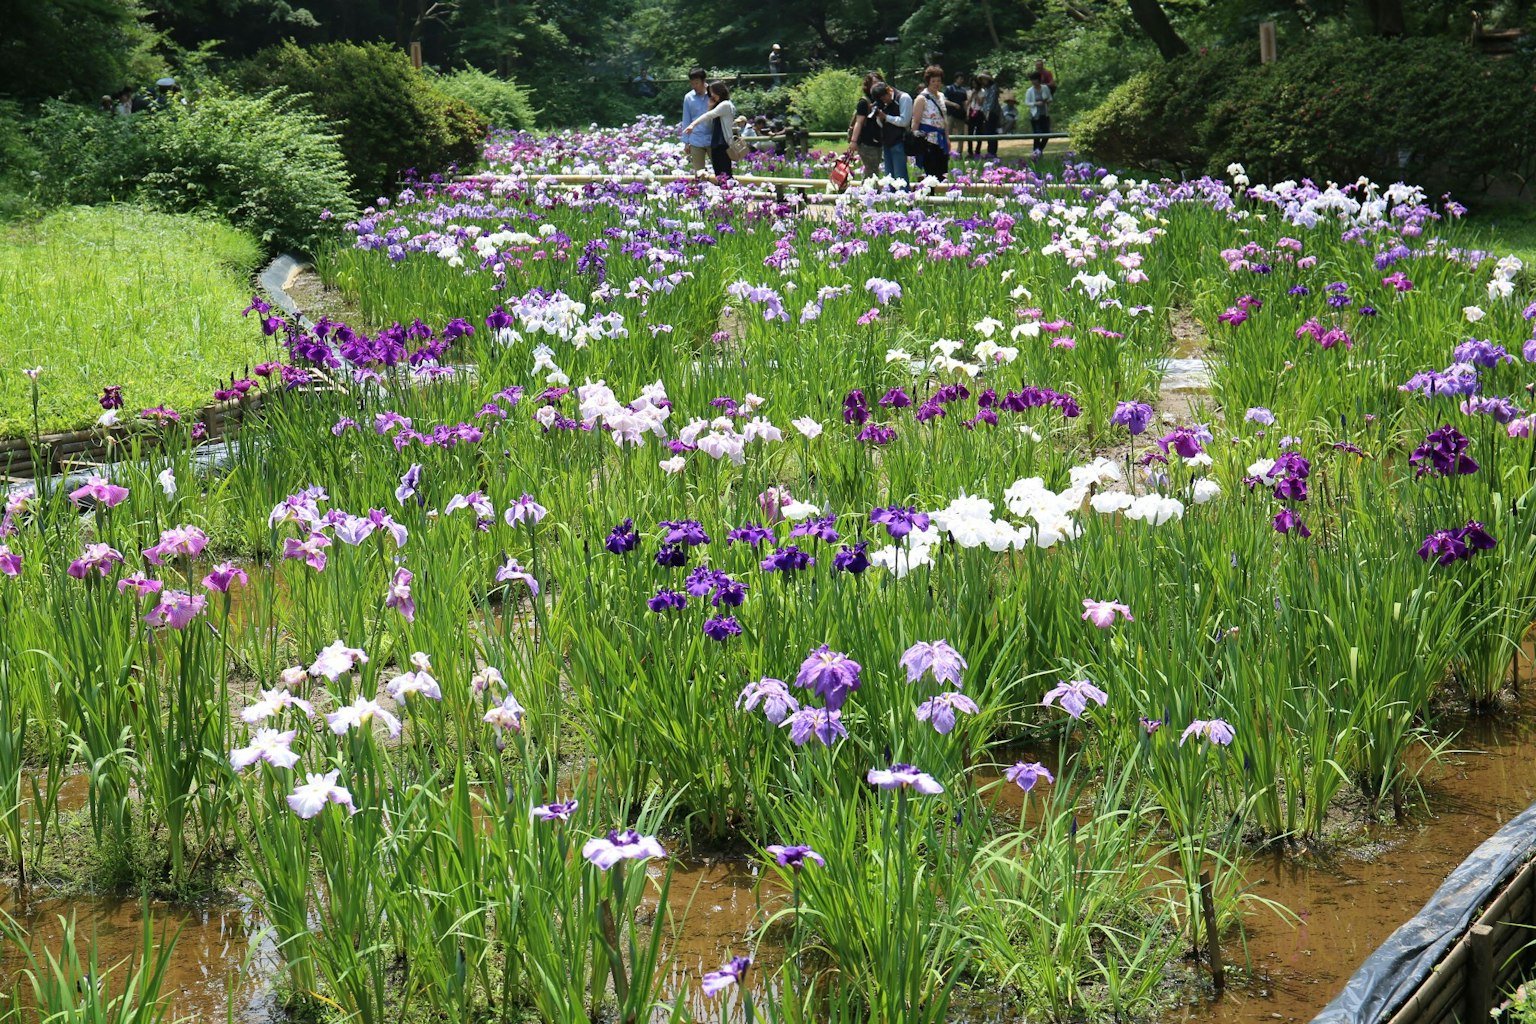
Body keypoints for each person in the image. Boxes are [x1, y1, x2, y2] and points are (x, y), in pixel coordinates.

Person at [681, 81, 739, 178]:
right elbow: (708, 122)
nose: (711, 95)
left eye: (712, 92)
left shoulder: (725, 105)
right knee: (719, 173)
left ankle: (727, 186)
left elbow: (709, 115)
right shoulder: (720, 105)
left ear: (719, 92)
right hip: (716, 143)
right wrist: (710, 107)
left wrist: (693, 124)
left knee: (724, 173)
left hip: (723, 144)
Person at [909, 65, 949, 181]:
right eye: (933, 81)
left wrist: (947, 138)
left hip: (941, 140)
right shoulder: (921, 98)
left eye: (939, 81)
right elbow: (915, 121)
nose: (936, 83)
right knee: (931, 174)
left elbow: (944, 119)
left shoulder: (941, 96)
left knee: (942, 173)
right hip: (927, 141)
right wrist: (914, 141)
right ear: (928, 81)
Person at [870, 80, 912, 183]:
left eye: (884, 98)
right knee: (888, 177)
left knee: (900, 177)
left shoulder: (903, 98)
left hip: (899, 142)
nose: (884, 102)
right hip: (886, 142)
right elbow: (881, 125)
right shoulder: (881, 103)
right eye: (881, 100)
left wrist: (886, 117)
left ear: (889, 90)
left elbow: (905, 121)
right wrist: (878, 117)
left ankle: (904, 193)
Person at [846, 72, 885, 178]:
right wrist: (853, 141)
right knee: (871, 172)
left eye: (879, 82)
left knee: (874, 171)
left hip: (878, 141)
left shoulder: (881, 100)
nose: (877, 85)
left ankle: (870, 188)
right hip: (866, 142)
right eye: (874, 83)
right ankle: (867, 189)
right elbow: (858, 122)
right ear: (868, 86)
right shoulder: (864, 102)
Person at [681, 68, 713, 174]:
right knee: (699, 173)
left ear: (704, 81)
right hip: (696, 139)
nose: (694, 86)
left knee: (719, 172)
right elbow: (686, 119)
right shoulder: (688, 97)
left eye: (696, 83)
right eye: (692, 83)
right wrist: (686, 142)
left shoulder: (713, 94)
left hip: (713, 138)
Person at [1024, 71, 1052, 159]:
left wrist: (1045, 101)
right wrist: (1036, 103)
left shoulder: (1045, 88)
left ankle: (1039, 150)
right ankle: (1035, 152)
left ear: (1039, 80)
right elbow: (1027, 102)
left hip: (1044, 114)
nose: (1033, 82)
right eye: (1032, 80)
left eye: (1035, 79)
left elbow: (1050, 98)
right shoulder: (1029, 91)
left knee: (1046, 134)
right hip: (1035, 115)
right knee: (1037, 134)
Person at [976, 71, 1001, 158]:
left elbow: (991, 101)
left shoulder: (993, 87)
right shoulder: (986, 88)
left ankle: (992, 152)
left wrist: (988, 112)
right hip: (986, 112)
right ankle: (990, 151)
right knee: (988, 132)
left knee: (991, 132)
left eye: (985, 79)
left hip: (992, 112)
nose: (983, 81)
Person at [943, 72, 969, 155]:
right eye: (960, 78)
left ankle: (959, 152)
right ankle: (946, 151)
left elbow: (964, 103)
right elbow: (944, 100)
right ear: (956, 79)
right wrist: (953, 104)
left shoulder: (963, 90)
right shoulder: (949, 88)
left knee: (961, 134)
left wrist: (967, 113)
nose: (962, 80)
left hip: (961, 115)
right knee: (948, 133)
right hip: (950, 114)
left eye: (962, 79)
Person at [965, 76, 987, 157]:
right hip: (971, 112)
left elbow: (980, 103)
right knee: (970, 132)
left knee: (979, 132)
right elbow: (967, 103)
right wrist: (972, 95)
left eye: (975, 84)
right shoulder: (969, 92)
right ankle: (970, 151)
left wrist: (976, 95)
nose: (974, 85)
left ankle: (977, 151)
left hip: (979, 112)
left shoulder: (982, 91)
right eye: (973, 84)